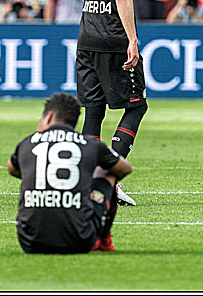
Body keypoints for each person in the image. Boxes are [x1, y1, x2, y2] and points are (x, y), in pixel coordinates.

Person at [75, 0, 144, 207]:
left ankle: (88, 178)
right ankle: (108, 176)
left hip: (87, 33)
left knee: (94, 109)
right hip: (114, 36)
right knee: (136, 106)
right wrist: (132, 38)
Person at [8, 93, 132, 253]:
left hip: (30, 242)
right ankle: (104, 241)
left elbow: (12, 169)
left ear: (48, 117)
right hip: (80, 241)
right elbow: (125, 168)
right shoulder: (90, 144)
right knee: (107, 170)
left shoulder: (27, 143)